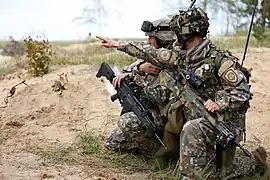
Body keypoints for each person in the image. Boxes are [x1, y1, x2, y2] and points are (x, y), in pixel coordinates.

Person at [97, 6, 268, 179]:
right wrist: (118, 45)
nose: (174, 36)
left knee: (215, 171)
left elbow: (242, 92)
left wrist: (219, 103)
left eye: (177, 32)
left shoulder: (221, 62)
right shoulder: (181, 57)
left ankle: (254, 160)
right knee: (201, 164)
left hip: (221, 122)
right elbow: (151, 53)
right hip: (194, 119)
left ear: (187, 34)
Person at [104, 18, 185, 169]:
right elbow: (127, 71)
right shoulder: (148, 59)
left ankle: (160, 155)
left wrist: (138, 79)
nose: (148, 41)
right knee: (112, 141)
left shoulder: (172, 59)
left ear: (161, 39)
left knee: (128, 122)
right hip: (151, 112)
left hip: (166, 118)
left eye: (151, 37)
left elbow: (159, 96)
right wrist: (139, 69)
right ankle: (151, 144)